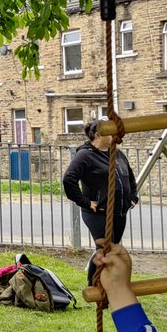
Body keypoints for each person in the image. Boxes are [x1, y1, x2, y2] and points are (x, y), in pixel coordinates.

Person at [62, 119, 139, 285]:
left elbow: (129, 175)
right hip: (98, 212)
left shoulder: (117, 153)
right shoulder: (85, 155)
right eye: (110, 132)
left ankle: (108, 283)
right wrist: (85, 202)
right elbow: (69, 179)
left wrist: (133, 196)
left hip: (119, 211)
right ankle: (94, 283)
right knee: (104, 250)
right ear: (98, 135)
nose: (115, 135)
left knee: (113, 249)